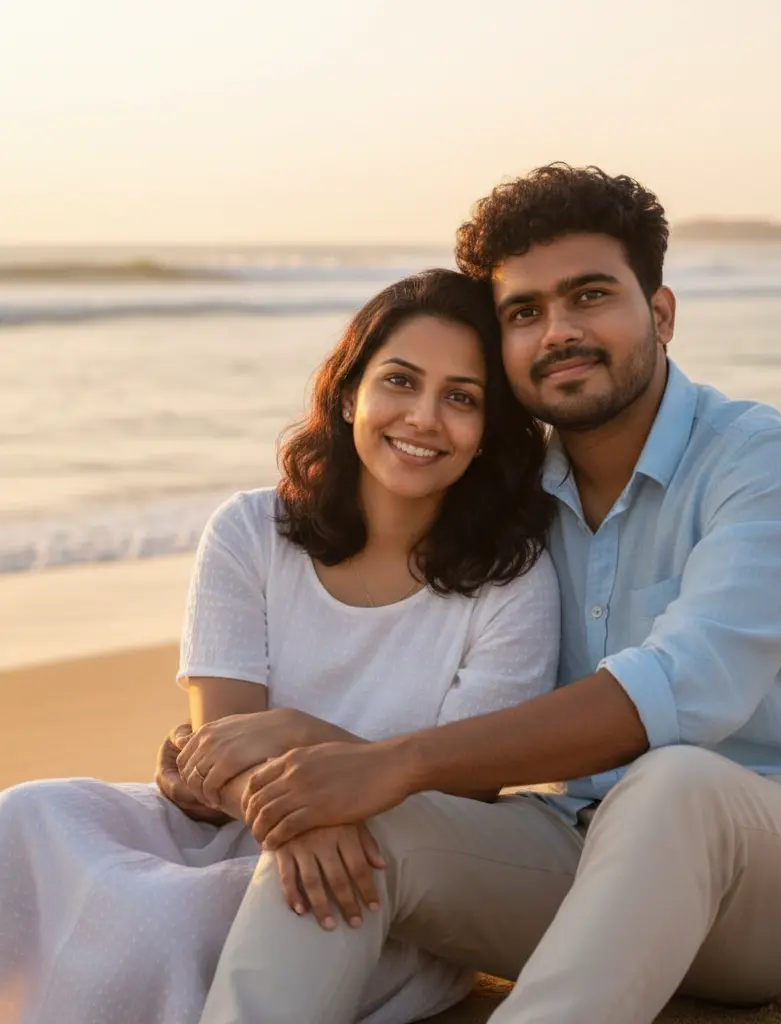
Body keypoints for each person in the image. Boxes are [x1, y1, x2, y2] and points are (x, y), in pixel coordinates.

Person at [191, 165, 781, 1024]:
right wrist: (270, 763)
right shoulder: (507, 502)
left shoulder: (763, 465)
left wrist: (396, 761)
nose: (557, 332)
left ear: (663, 313)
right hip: (587, 856)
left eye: (590, 296)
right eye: (523, 313)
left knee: (676, 782)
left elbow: (688, 686)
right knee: (356, 836)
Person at [0, 269, 562, 1024]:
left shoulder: (513, 579)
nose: (424, 417)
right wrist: (298, 810)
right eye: (400, 381)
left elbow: (463, 792)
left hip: (368, 870)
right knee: (28, 815)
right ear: (348, 392)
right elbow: (217, 744)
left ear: (490, 429)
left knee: (152, 922)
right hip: (239, 823)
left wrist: (303, 743)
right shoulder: (251, 530)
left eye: (462, 397)